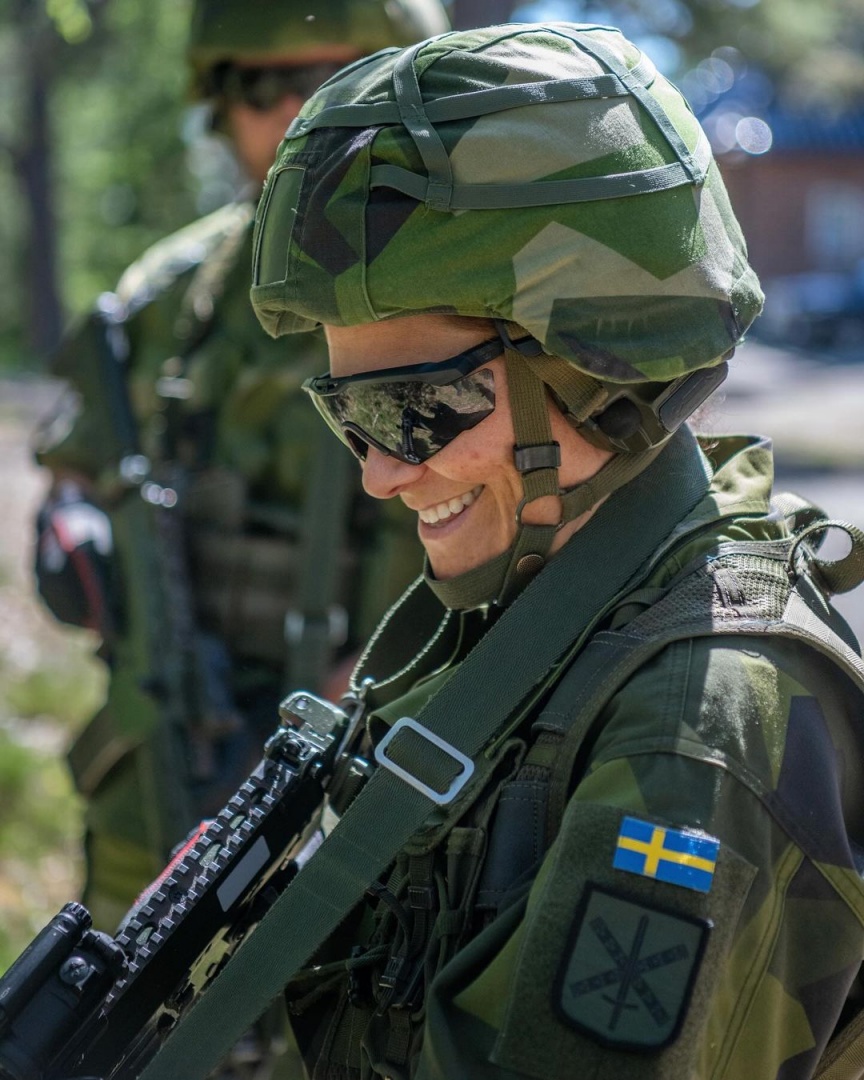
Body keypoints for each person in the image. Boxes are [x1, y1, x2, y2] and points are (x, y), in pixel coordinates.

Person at [244, 21, 864, 1079]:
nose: (379, 473)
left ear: (597, 363)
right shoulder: (546, 616)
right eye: (347, 415)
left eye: (415, 410)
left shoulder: (688, 729)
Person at [32, 0, 450, 936]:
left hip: (389, 785)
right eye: (266, 86)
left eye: (341, 78)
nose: (304, 110)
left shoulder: (479, 295)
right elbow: (73, 472)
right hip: (169, 774)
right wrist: (74, 540)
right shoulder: (166, 300)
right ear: (219, 104)